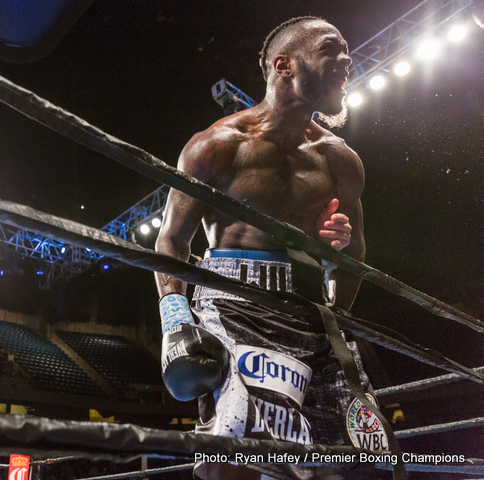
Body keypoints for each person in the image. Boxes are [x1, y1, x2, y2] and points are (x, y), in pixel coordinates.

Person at [155, 16, 384, 480]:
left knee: (355, 464)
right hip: (233, 304)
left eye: (346, 49)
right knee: (233, 453)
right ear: (284, 65)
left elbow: (354, 255)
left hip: (310, 312)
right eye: (330, 49)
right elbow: (173, 240)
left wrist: (332, 258)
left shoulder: (340, 160)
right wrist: (175, 319)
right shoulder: (215, 147)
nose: (346, 59)